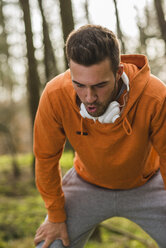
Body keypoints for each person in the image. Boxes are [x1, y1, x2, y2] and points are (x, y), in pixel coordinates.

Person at [33, 24, 166, 248]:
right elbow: (45, 158)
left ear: (118, 72)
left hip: (148, 184)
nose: (89, 97)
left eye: (100, 85)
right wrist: (55, 216)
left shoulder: (155, 96)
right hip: (86, 185)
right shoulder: (55, 95)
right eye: (79, 85)